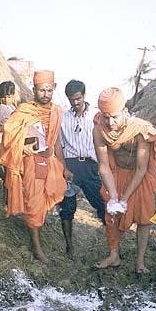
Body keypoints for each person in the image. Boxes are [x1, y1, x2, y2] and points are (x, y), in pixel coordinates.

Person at [92, 87, 156, 274]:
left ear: (125, 111)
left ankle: (140, 261)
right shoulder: (99, 129)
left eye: (115, 117)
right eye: (106, 117)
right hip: (116, 173)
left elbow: (141, 168)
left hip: (139, 176)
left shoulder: (140, 130)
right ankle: (114, 255)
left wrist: (124, 198)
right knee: (112, 214)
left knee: (144, 218)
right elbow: (104, 166)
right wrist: (115, 197)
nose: (110, 122)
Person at [0, 70, 69, 264]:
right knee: (33, 202)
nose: (45, 94)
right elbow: (8, 133)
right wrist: (25, 146)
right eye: (41, 90)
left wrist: (63, 166)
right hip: (31, 162)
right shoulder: (24, 111)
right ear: (34, 89)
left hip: (50, 162)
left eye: (48, 90)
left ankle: (36, 230)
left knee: (48, 198)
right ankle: (37, 248)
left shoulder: (56, 111)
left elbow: (55, 141)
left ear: (53, 89)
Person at [58, 79, 105, 259]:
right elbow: (59, 146)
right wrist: (64, 168)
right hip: (71, 166)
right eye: (71, 99)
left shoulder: (97, 116)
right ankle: (69, 247)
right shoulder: (64, 117)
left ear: (84, 96)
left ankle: (112, 246)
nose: (75, 102)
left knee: (102, 205)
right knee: (67, 208)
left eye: (78, 98)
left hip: (91, 167)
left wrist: (103, 167)